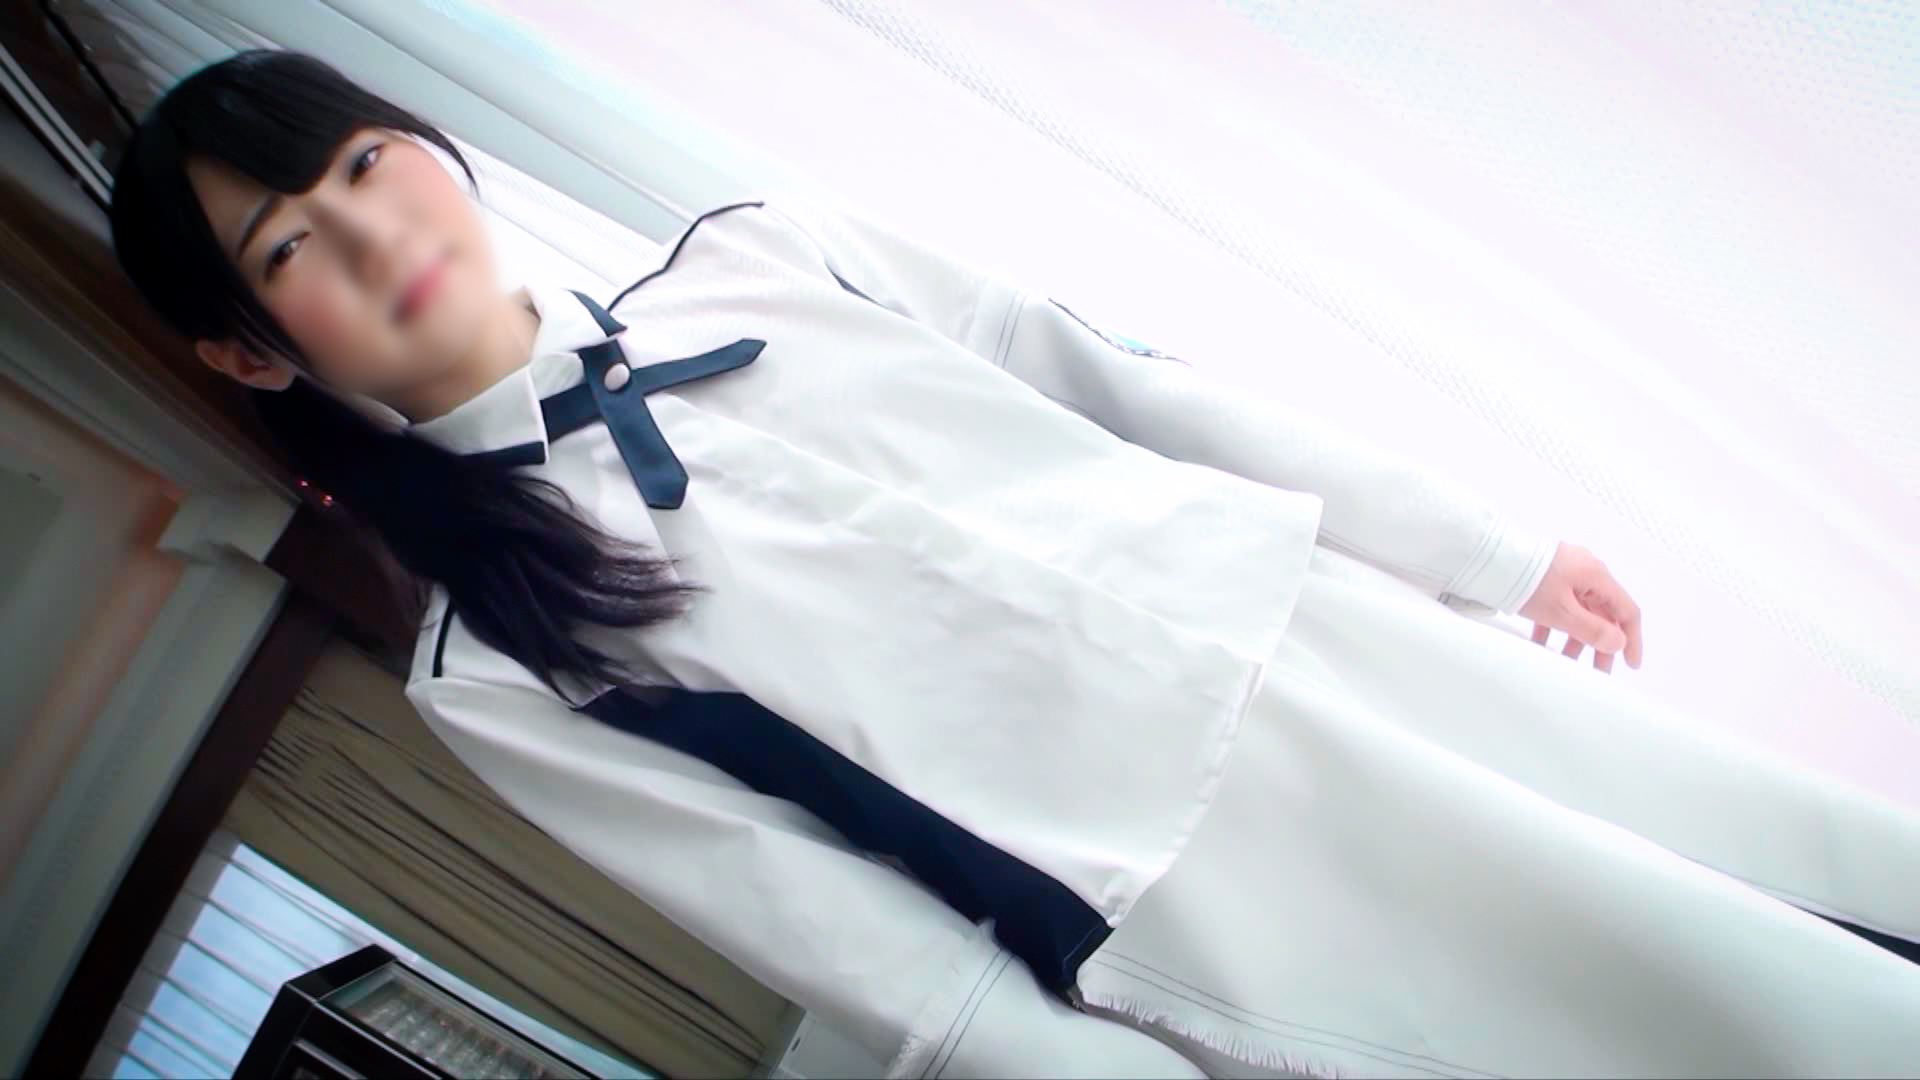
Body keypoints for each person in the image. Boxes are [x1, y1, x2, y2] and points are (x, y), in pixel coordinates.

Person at [111, 50, 1919, 1078]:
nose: (372, 231)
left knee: (1784, 903)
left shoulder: (769, 251)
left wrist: (1489, 549)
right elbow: (817, 916)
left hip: (1327, 634)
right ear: (247, 350)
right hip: (1194, 892)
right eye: (289, 247)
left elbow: (1137, 390)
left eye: (366, 162)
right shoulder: (489, 664)